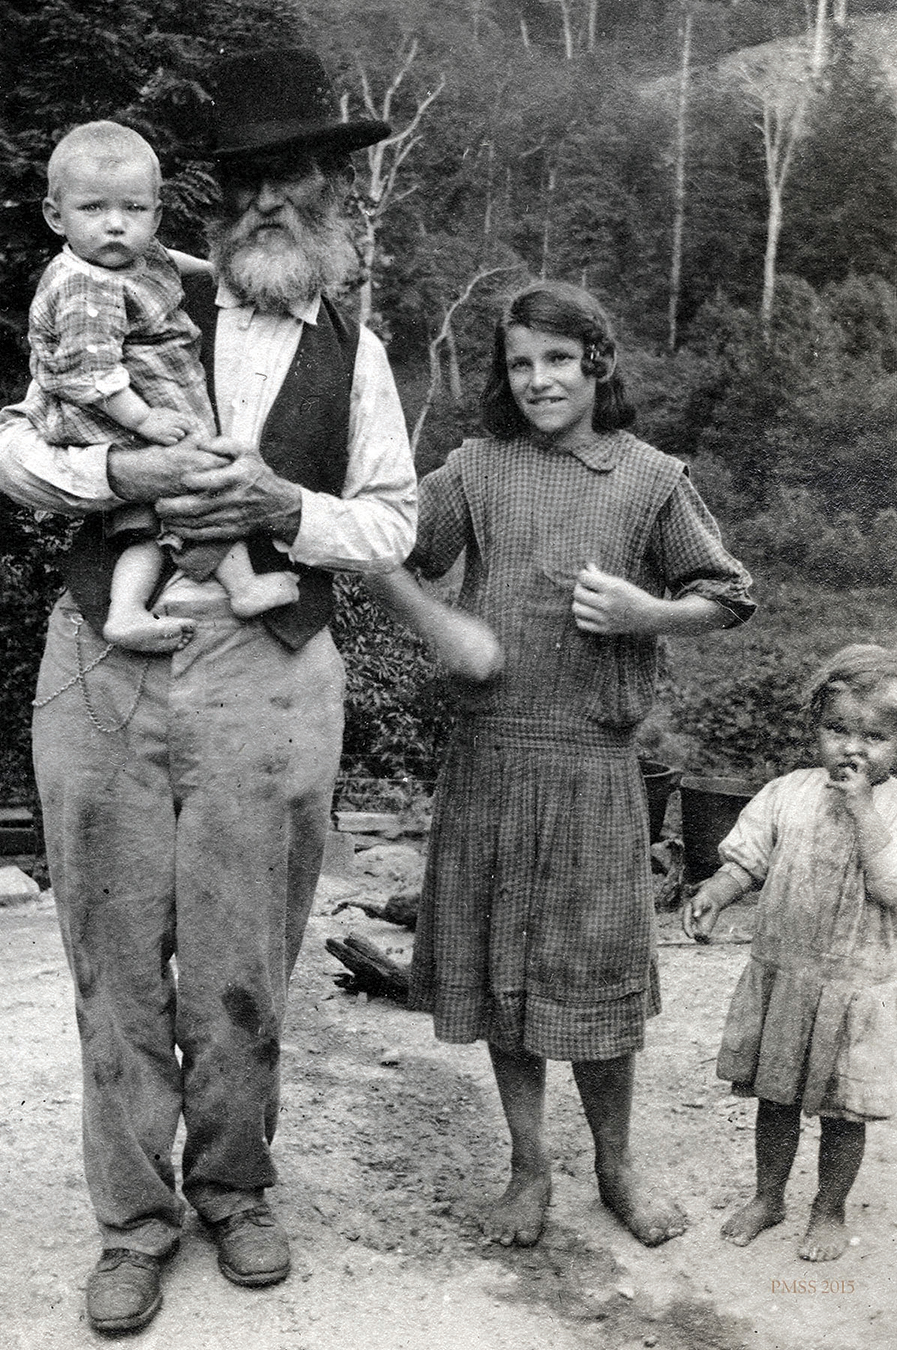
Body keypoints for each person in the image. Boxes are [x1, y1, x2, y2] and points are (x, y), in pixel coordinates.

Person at [0, 46, 417, 1335]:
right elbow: (15, 450)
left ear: (344, 199)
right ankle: (133, 1224)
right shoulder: (117, 290)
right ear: (220, 194)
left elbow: (394, 524)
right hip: (106, 660)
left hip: (271, 666)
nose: (287, 200)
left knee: (242, 961)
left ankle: (235, 1189)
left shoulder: (359, 348)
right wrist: (120, 484)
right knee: (114, 965)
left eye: (313, 177)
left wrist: (286, 508)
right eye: (259, 177)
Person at [367, 279, 755, 1252]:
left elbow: (729, 592)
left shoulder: (651, 478)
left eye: (555, 359)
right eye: (518, 362)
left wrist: (646, 613)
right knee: (505, 974)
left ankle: (617, 1166)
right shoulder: (476, 470)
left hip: (592, 767)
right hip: (492, 760)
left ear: (598, 362)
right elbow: (380, 550)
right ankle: (529, 1164)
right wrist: (444, 626)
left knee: (599, 978)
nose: (537, 379)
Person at [15, 118, 299, 654]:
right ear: (56, 216)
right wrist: (144, 421)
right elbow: (93, 374)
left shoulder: (135, 256)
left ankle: (223, 586)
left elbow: (174, 263)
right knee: (196, 486)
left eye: (134, 210)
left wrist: (219, 270)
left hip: (143, 402)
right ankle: (184, 598)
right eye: (93, 209)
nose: (116, 226)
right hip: (115, 413)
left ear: (156, 214)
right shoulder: (85, 286)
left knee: (175, 501)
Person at [683, 644, 897, 1262]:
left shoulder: (894, 807)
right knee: (776, 1099)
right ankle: (768, 1196)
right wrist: (718, 891)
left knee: (842, 1112)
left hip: (857, 987)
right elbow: (747, 857)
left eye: (875, 736)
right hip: (788, 977)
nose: (853, 748)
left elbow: (890, 885)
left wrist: (862, 810)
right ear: (815, 731)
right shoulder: (787, 792)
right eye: (837, 730)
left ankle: (828, 1209)